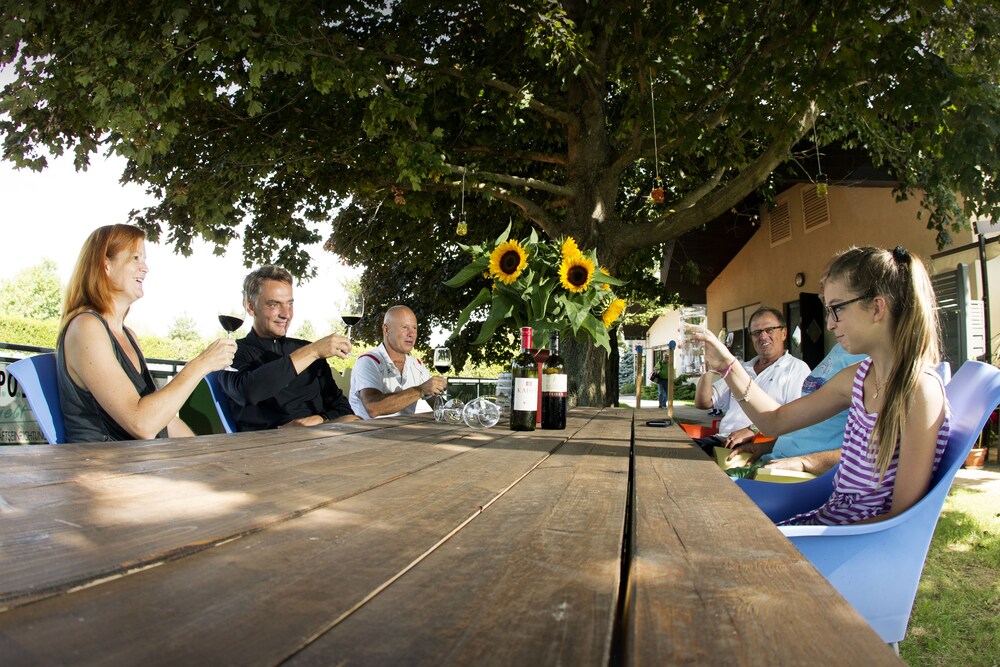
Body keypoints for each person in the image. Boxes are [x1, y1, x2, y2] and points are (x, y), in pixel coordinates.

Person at [698, 246, 951, 525]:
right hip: (827, 520)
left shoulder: (920, 391)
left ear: (877, 308)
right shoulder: (859, 377)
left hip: (848, 542)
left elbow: (901, 521)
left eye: (837, 310)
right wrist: (727, 366)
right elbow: (773, 421)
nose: (829, 324)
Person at [57, 224, 237, 442]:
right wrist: (201, 364)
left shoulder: (128, 335)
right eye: (135, 258)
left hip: (141, 462)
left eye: (144, 259)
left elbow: (163, 418)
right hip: (104, 468)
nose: (145, 268)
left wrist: (202, 453)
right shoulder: (86, 328)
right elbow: (142, 424)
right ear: (106, 265)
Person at [723, 261, 867, 477]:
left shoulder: (869, 365)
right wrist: (767, 447)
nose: (821, 294)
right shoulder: (841, 349)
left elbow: (875, 455)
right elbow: (795, 425)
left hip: (802, 479)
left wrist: (803, 463)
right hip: (772, 459)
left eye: (836, 307)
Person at [218, 265, 360, 430]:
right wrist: (312, 352)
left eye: (289, 304)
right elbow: (247, 391)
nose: (286, 314)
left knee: (355, 420)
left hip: (322, 441)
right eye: (274, 304)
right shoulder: (232, 352)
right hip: (266, 448)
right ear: (250, 306)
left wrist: (320, 419)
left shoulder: (307, 351)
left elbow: (343, 409)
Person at [691, 307, 811, 457]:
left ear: (784, 333)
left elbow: (797, 418)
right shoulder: (741, 368)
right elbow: (704, 403)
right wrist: (708, 369)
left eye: (769, 330)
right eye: (757, 332)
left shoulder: (796, 369)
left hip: (758, 446)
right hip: (722, 441)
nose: (763, 336)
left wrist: (752, 429)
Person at [349, 305, 447, 419]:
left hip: (406, 434)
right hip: (367, 434)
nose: (411, 334)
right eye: (404, 327)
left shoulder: (416, 365)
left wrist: (464, 409)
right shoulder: (368, 361)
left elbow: (439, 406)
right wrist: (419, 390)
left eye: (414, 328)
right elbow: (373, 407)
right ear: (386, 330)